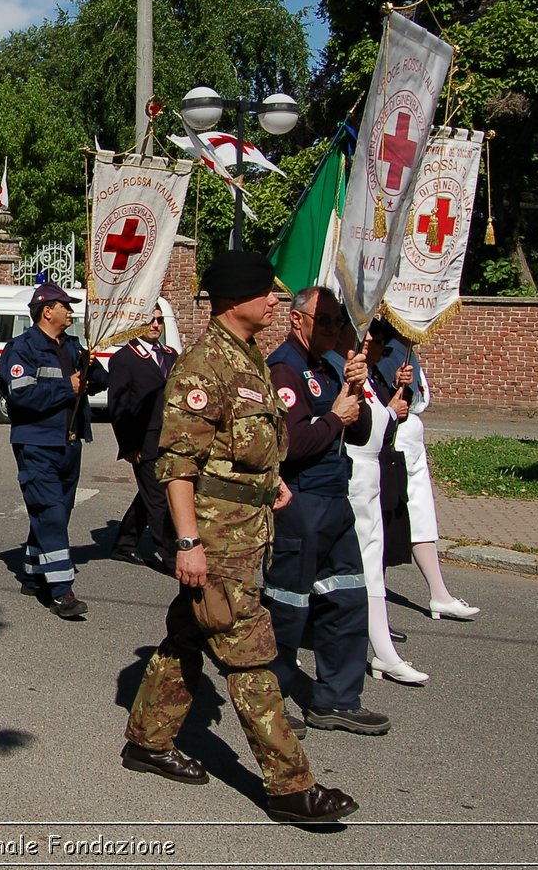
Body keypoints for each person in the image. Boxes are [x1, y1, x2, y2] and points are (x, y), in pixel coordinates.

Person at [120, 250, 358, 825]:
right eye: (265, 292)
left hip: (247, 533)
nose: (276, 300)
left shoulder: (248, 358)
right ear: (234, 300)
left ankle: (148, 741)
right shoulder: (205, 367)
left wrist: (268, 482)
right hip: (214, 541)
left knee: (188, 636)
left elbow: (244, 446)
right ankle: (290, 786)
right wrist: (187, 544)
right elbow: (175, 464)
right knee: (250, 656)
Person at [265, 286, 388, 736]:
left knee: (347, 598)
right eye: (327, 321)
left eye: (339, 323)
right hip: (301, 501)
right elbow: (292, 445)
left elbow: (360, 434)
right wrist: (334, 417)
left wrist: (360, 387)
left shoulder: (329, 367)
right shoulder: (285, 369)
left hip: (336, 499)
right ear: (298, 320)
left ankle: (337, 698)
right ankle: (270, 699)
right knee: (287, 606)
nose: (335, 330)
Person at [0, 281, 107, 618]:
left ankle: (32, 573)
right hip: (37, 443)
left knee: (55, 512)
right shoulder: (21, 349)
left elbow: (101, 380)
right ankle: (62, 592)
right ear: (47, 311)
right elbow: (21, 396)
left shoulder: (73, 346)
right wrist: (67, 386)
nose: (71, 312)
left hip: (70, 443)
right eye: (65, 306)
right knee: (50, 513)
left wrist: (91, 370)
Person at [335, 318, 427, 684]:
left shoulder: (370, 376)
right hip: (351, 480)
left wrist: (394, 403)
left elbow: (379, 426)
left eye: (377, 339)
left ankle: (382, 650)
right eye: (368, 336)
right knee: (351, 570)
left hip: (372, 480)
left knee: (371, 569)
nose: (373, 343)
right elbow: (352, 427)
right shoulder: (347, 374)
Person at [375, 325, 482, 621]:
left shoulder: (405, 352)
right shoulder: (387, 352)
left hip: (411, 443)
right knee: (388, 517)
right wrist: (399, 385)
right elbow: (384, 396)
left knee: (420, 515)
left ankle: (439, 593)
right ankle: (376, 596)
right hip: (394, 443)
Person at [105, 298, 177, 566]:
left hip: (171, 439)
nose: (155, 325)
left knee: (150, 494)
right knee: (160, 499)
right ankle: (171, 555)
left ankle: (125, 541)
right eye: (150, 319)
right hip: (144, 441)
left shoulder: (170, 355)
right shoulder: (124, 359)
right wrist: (129, 446)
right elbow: (119, 407)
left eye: (159, 320)